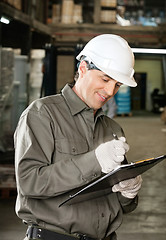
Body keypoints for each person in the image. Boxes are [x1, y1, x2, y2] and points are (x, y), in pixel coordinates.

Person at [14, 34, 142, 240]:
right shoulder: (42, 114)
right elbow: (29, 182)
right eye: (105, 79)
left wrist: (128, 193)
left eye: (117, 84)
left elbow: (119, 205)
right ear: (83, 69)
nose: (110, 91)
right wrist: (95, 161)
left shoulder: (112, 129)